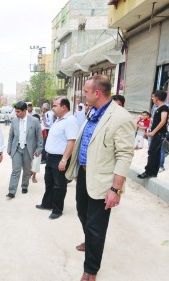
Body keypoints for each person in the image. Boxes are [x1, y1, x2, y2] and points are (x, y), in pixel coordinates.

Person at [65, 75, 135, 281]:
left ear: (97, 93)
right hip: (85, 175)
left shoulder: (121, 117)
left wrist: (115, 189)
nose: (83, 94)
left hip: (103, 183)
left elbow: (124, 155)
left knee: (96, 226)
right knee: (82, 213)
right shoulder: (92, 112)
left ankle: (91, 270)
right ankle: (90, 240)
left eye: (86, 91)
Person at [36, 97, 78, 220]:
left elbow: (71, 142)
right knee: (49, 181)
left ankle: (57, 209)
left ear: (63, 107)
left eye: (55, 106)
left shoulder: (70, 120)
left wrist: (64, 160)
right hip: (51, 157)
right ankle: (47, 203)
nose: (52, 108)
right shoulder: (59, 120)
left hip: (60, 158)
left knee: (59, 185)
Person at [6, 101, 43, 198]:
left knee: (27, 170)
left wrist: (39, 149)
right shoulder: (14, 121)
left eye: (18, 112)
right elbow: (11, 136)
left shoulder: (34, 121)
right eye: (15, 111)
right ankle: (12, 191)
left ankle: (24, 186)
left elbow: (39, 137)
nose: (16, 113)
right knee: (15, 170)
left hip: (28, 149)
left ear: (24, 111)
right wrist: (9, 148)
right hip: (17, 148)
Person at [138, 90, 169, 179]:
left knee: (152, 152)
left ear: (157, 98)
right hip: (157, 133)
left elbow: (163, 121)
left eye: (153, 97)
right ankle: (153, 172)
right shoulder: (158, 108)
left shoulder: (164, 108)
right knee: (156, 152)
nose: (152, 98)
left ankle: (148, 172)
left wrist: (153, 132)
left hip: (159, 134)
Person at [31, 114, 42, 183]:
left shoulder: (41, 128)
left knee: (36, 163)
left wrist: (39, 149)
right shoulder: (28, 127)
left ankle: (34, 176)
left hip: (38, 148)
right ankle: (30, 173)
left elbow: (42, 139)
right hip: (29, 148)